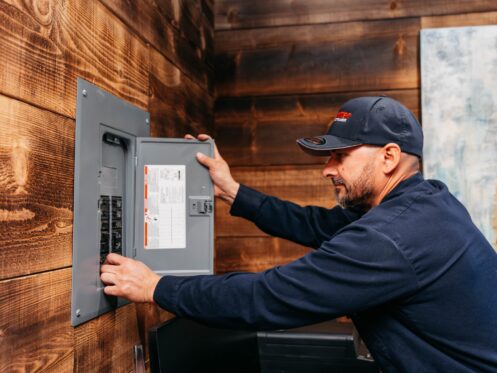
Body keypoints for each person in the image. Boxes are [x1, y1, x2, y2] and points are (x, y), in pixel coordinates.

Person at [100, 96, 497, 372]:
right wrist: (232, 192)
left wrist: (156, 287)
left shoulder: (392, 238)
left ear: (388, 157)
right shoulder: (425, 203)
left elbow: (269, 297)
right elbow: (315, 225)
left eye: (340, 156)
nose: (327, 168)